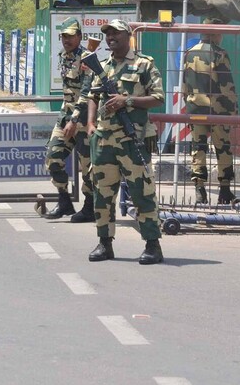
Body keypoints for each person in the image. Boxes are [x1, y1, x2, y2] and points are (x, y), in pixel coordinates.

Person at [86, 19, 165, 265]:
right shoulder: (102, 66)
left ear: (128, 36)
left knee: (142, 193)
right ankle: (105, 243)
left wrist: (127, 100)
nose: (111, 37)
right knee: (102, 193)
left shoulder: (144, 64)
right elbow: (92, 96)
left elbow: (158, 97)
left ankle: (152, 245)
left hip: (133, 139)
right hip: (104, 139)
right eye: (107, 34)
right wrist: (90, 124)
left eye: (116, 33)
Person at [43, 17, 95, 222]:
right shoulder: (63, 56)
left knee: (88, 167)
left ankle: (89, 207)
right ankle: (64, 201)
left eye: (71, 36)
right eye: (64, 36)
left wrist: (75, 120)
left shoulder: (87, 58)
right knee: (52, 156)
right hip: (66, 116)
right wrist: (68, 118)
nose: (67, 40)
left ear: (79, 37)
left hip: (83, 119)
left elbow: (87, 92)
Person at [182, 17, 238, 205]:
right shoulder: (219, 54)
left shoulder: (189, 52)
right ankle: (224, 191)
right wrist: (233, 112)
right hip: (218, 110)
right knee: (222, 148)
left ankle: (200, 190)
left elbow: (185, 85)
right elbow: (226, 86)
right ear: (215, 33)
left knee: (198, 148)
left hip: (195, 108)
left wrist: (188, 103)